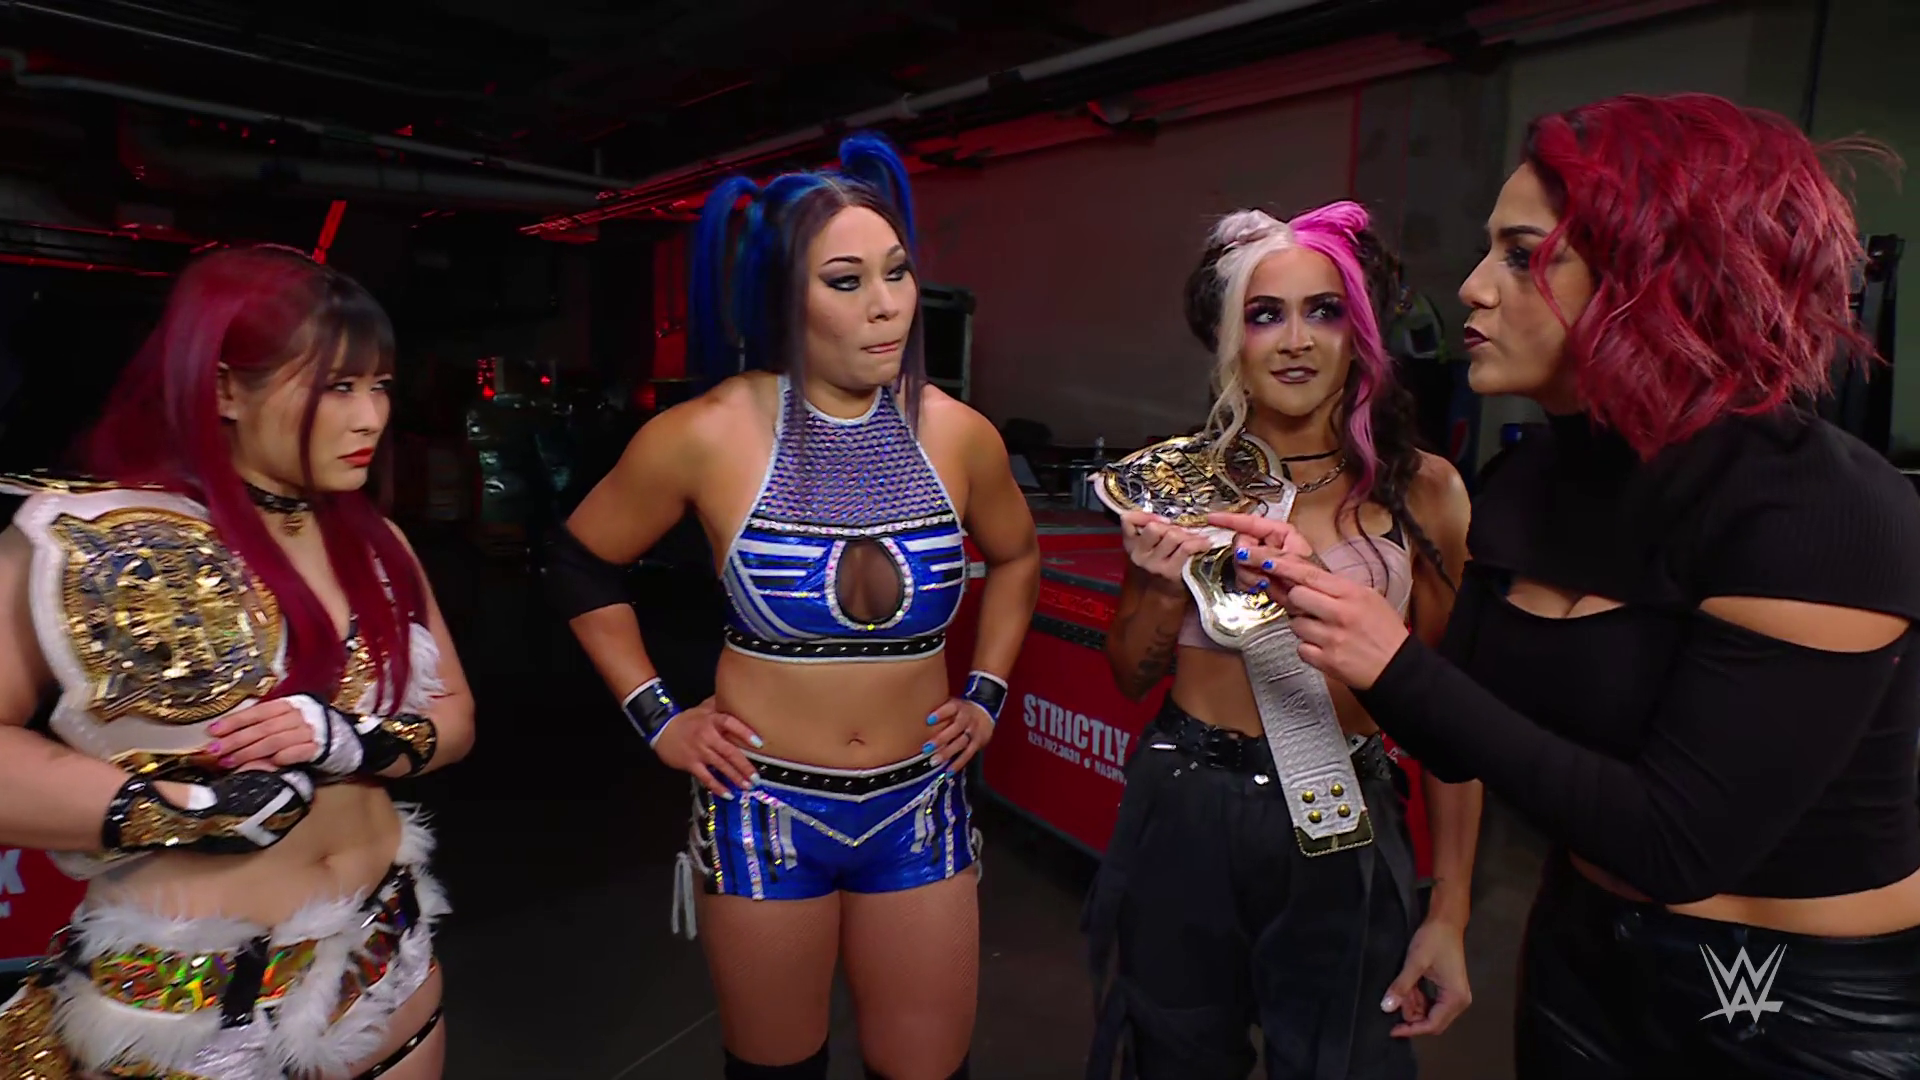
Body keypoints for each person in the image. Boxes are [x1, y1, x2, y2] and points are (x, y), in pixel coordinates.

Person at [1226, 93, 1920, 1078]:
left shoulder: (1823, 511)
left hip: (1799, 1001)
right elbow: (1451, 733)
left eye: (1521, 255)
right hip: (1581, 954)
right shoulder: (1528, 481)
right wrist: (1323, 595)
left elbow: (1676, 844)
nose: (1472, 288)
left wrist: (1393, 662)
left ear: (1660, 274)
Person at [550, 133, 1039, 1080]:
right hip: (765, 809)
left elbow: (1018, 555)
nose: (887, 304)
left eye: (897, 272)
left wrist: (987, 693)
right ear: (783, 296)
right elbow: (579, 562)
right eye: (846, 281)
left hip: (919, 805)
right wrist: (657, 717)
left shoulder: (959, 435)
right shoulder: (705, 435)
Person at [0, 245, 473, 1079]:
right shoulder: (99, 541)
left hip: (390, 962)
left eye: (380, 386)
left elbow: (456, 713)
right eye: (337, 386)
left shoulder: (379, 544)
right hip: (195, 1014)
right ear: (225, 389)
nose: (371, 417)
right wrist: (186, 809)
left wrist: (353, 741)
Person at [1087, 200, 1482, 1080]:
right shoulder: (1175, 482)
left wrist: (1450, 909)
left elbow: (1455, 723)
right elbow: (1128, 674)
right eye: (1266, 315)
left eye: (1323, 311)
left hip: (1342, 817)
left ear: (1359, 332)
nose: (1296, 340)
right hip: (1186, 806)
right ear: (1232, 337)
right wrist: (1160, 583)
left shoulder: (1426, 493)